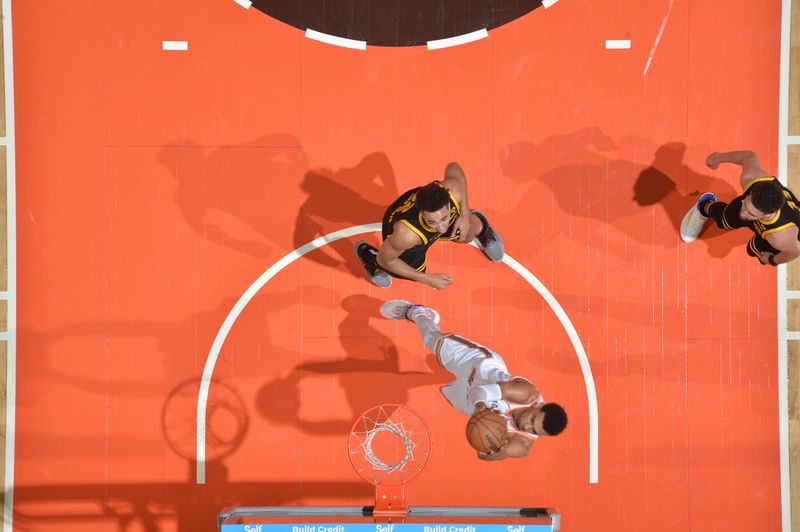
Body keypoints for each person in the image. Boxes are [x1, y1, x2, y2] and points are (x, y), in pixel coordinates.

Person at [379, 299, 568, 460]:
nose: (527, 426)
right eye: (532, 419)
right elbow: (482, 392)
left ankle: (444, 374)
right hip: (477, 367)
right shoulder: (526, 394)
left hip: (469, 402)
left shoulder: (523, 444)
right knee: (432, 341)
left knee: (444, 390)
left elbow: (505, 451)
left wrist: (493, 453)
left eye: (534, 430)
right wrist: (479, 407)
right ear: (536, 406)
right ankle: (418, 312)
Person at [354, 162, 504, 290]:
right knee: (404, 269)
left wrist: (464, 215)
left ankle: (481, 227)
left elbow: (454, 168)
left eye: (444, 218)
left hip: (430, 209)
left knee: (468, 231)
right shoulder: (406, 235)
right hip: (405, 229)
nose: (440, 228)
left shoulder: (452, 190)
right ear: (422, 213)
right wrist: (426, 278)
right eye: (432, 222)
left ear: (447, 203)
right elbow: (385, 259)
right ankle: (367, 254)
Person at [680, 150, 800, 265]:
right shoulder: (753, 179)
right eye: (745, 204)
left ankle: (756, 234)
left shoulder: (781, 237)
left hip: (779, 231)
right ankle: (704, 206)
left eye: (751, 214)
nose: (743, 213)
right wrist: (717, 158)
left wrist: (773, 260)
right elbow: (748, 156)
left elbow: (793, 252)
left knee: (752, 250)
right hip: (769, 223)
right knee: (723, 221)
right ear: (751, 193)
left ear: (767, 214)